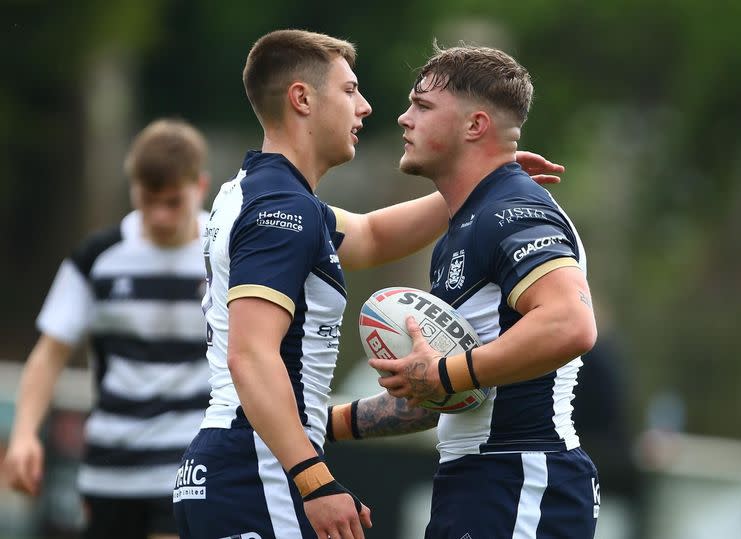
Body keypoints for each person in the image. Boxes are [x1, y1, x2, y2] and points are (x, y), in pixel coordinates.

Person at [171, 30, 564, 539]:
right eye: (349, 90)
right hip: (259, 467)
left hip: (241, 463)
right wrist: (315, 482)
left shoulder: (258, 195)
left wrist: (482, 176)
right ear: (303, 99)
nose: (367, 106)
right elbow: (250, 355)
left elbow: (373, 235)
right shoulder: (282, 212)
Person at [326, 43, 599, 539]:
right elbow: (445, 396)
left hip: (519, 477)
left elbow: (570, 323)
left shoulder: (513, 211)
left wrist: (446, 373)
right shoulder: (463, 226)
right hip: (478, 481)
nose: (403, 119)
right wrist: (317, 426)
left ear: (475, 126)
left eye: (423, 107)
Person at [3, 118, 212, 539]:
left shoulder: (225, 252)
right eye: (147, 199)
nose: (158, 215)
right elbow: (50, 353)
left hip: (192, 464)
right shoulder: (98, 257)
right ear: (132, 186)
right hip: (110, 469)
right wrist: (24, 433)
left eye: (172, 202)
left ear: (201, 186)